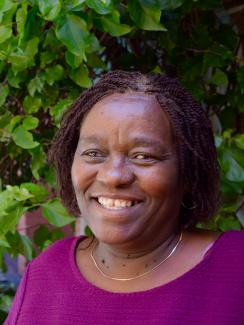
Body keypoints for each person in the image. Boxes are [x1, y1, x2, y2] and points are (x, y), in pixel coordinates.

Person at [5, 70, 244, 325]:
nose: (113, 176)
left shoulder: (235, 268)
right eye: (94, 153)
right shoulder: (46, 273)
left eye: (143, 156)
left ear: (188, 171)